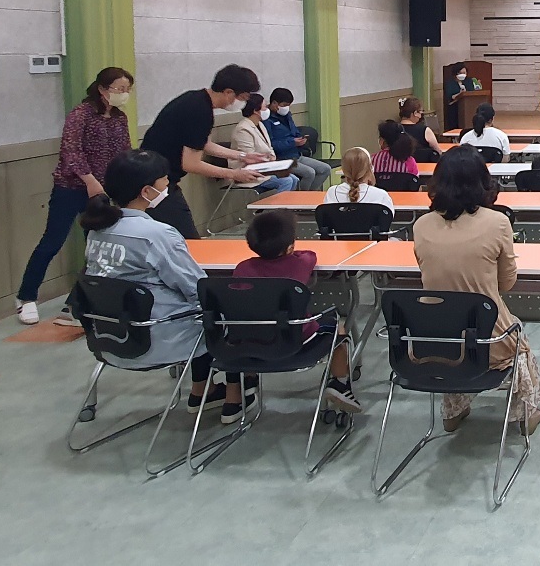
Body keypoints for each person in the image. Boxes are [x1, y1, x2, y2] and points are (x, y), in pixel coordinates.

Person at [79, 150, 255, 424]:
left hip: (109, 336)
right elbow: (195, 287)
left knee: (199, 310)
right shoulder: (157, 234)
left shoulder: (96, 231)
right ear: (146, 191)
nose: (168, 187)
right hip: (157, 336)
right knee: (226, 310)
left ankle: (203, 391)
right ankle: (234, 396)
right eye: (164, 181)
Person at [413, 146, 540, 434]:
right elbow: (506, 283)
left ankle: (453, 410)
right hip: (488, 340)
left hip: (434, 340)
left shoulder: (420, 225)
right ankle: (526, 414)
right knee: (519, 344)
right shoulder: (498, 222)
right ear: (483, 182)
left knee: (454, 321)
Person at [16, 66, 134, 326]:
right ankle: (26, 297)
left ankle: (79, 302)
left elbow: (124, 152)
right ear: (102, 89)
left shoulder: (119, 118)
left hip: (103, 190)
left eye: (127, 90)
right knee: (52, 241)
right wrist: (90, 180)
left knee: (98, 246)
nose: (124, 94)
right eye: (119, 89)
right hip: (71, 188)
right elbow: (71, 152)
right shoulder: (81, 114)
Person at [234, 210, 361, 414]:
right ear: (290, 247)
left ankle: (248, 383)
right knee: (338, 328)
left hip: (253, 342)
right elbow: (310, 255)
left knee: (253, 326)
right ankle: (340, 383)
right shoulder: (299, 263)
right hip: (297, 339)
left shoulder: (242, 268)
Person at [139, 64, 267, 239]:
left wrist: (242, 155)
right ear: (229, 92)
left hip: (157, 177)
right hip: (154, 182)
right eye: (243, 98)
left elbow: (202, 143)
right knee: (187, 239)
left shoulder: (195, 99)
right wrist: (234, 174)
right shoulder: (200, 111)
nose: (242, 103)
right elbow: (191, 164)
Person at [262, 88, 331, 191]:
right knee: (309, 173)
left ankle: (309, 195)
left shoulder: (287, 116)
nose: (286, 108)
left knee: (325, 169)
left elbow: (294, 132)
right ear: (275, 103)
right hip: (282, 159)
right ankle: (301, 197)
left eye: (288, 105)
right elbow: (271, 144)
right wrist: (292, 143)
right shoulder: (267, 120)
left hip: (296, 154)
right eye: (284, 105)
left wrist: (300, 140)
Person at [230, 94, 299, 194]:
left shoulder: (260, 124)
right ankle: (279, 204)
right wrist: (268, 160)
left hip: (266, 168)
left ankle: (288, 203)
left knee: (294, 179)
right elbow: (249, 156)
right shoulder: (243, 129)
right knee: (286, 181)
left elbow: (269, 147)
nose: (267, 109)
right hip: (249, 172)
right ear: (255, 110)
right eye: (265, 107)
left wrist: (272, 158)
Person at [324, 147, 395, 209]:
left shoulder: (332, 193)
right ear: (370, 169)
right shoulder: (381, 195)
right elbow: (388, 218)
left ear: (343, 169)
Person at [398, 96, 443, 163]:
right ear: (415, 113)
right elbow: (437, 151)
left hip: (401, 166)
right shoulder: (425, 130)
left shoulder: (395, 129)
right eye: (421, 112)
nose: (421, 115)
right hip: (426, 166)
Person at [443, 63, 476, 132]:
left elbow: (471, 92)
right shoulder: (450, 82)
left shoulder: (469, 81)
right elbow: (450, 96)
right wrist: (460, 94)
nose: (463, 75)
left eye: (464, 73)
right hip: (454, 107)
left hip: (467, 107)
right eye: (461, 73)